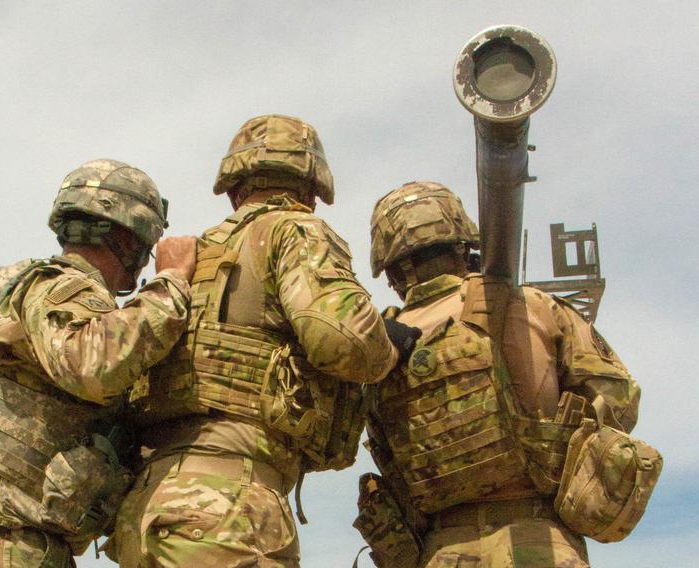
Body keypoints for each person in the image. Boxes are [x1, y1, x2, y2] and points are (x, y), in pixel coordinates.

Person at [106, 114, 411, 567]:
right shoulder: (295, 229)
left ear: (233, 189)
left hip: (149, 508)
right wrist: (389, 347)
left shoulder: (189, 263)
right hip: (226, 507)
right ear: (311, 191)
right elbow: (344, 341)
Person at [0, 159, 197, 568]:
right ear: (131, 238)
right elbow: (94, 365)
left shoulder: (35, 288)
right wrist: (172, 282)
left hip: (7, 543)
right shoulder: (63, 286)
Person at [354, 181, 642, 568]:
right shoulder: (534, 306)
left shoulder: (379, 348)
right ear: (462, 245)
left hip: (441, 550)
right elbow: (621, 399)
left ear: (390, 269)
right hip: (540, 539)